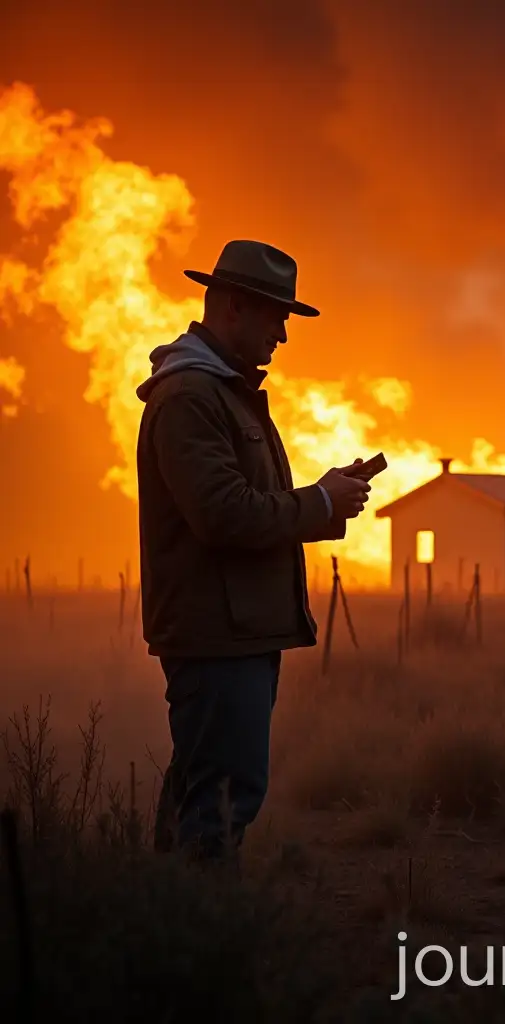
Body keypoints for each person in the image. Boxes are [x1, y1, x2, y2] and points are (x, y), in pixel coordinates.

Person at [135, 239, 371, 863]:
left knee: (201, 794)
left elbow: (243, 503)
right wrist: (318, 504)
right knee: (219, 804)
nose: (283, 335)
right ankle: (205, 945)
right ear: (233, 306)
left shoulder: (222, 393)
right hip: (217, 637)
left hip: (233, 632)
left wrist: (322, 495)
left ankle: (171, 929)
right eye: (277, 316)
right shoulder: (191, 397)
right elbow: (223, 515)